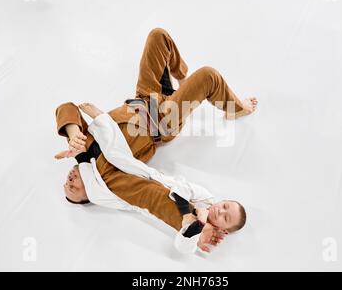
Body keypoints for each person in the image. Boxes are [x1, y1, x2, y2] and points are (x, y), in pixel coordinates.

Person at [54, 28, 257, 253]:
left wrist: (73, 134)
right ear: (89, 196)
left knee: (158, 36)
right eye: (73, 189)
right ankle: (235, 109)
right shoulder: (111, 181)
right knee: (208, 77)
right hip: (161, 123)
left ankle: (181, 77)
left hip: (143, 99)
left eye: (66, 183)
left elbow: (66, 108)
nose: (69, 180)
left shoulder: (81, 148)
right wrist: (193, 226)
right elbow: (152, 197)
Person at [57, 102, 246, 253]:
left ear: (224, 230)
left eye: (225, 217)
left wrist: (197, 224)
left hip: (131, 162)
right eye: (224, 207)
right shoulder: (205, 197)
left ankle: (231, 104)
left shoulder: (87, 157)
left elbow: (183, 246)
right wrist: (198, 215)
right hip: (140, 135)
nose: (220, 211)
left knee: (206, 76)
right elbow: (180, 190)